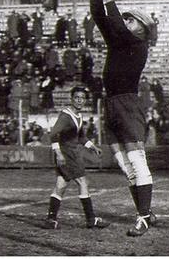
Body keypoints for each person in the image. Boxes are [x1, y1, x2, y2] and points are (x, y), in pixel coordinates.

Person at [89, 0, 156, 236]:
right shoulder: (120, 41)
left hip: (127, 105)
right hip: (113, 104)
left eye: (132, 20)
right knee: (124, 164)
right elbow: (100, 19)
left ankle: (143, 217)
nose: (127, 22)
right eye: (126, 19)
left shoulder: (138, 44)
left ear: (142, 28)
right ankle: (146, 213)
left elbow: (114, 24)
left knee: (137, 161)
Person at [40, 86, 109, 230]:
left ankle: (51, 219)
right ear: (71, 99)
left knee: (61, 184)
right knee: (83, 182)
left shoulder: (79, 115)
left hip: (70, 153)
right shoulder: (65, 115)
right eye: (77, 97)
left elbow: (81, 136)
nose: (79, 100)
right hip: (67, 155)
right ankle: (91, 219)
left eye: (82, 98)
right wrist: (58, 153)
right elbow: (53, 134)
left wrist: (92, 146)